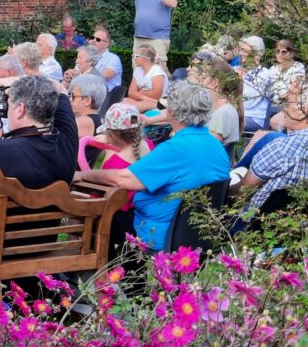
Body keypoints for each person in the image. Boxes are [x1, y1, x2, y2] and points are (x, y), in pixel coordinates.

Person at [74, 81, 230, 250]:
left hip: (157, 233)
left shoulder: (175, 149)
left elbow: (124, 179)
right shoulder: (217, 147)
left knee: (102, 217)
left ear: (172, 112)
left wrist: (83, 175)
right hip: (198, 235)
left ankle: (94, 263)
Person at [231, 83, 308, 215]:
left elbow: (241, 193)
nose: (284, 109)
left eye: (288, 104)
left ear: (304, 111)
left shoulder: (281, 148)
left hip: (253, 222)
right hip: (301, 225)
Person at [0, 74, 78, 188]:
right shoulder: (67, 142)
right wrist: (18, 80)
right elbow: (61, 89)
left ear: (20, 109)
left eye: (9, 105)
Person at [77, 103, 154, 256]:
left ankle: (98, 262)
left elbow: (100, 197)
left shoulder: (114, 162)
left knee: (90, 218)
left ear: (112, 134)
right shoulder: (150, 146)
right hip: (143, 215)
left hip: (119, 221)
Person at [117, 0, 178, 65]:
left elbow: (173, 3)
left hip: (158, 39)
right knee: (137, 68)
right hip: (139, 37)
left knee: (157, 68)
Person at [190, 55, 242, 147]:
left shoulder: (223, 113)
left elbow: (207, 147)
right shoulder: (219, 108)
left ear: (215, 83)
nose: (200, 82)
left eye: (204, 78)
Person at [237, 36, 275, 131]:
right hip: (236, 114)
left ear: (257, 54)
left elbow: (247, 102)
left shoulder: (263, 74)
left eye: (245, 50)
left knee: (222, 121)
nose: (240, 53)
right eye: (240, 49)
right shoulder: (236, 70)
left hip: (253, 117)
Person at [124, 45, 168, 112]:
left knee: (134, 107)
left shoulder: (157, 71)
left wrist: (140, 92)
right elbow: (131, 92)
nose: (134, 58)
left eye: (136, 56)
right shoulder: (138, 70)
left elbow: (156, 96)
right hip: (147, 100)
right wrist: (144, 97)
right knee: (123, 101)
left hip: (159, 102)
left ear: (146, 58)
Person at [266, 39, 306, 106]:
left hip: (289, 104)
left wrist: (278, 99)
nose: (280, 54)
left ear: (291, 53)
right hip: (271, 104)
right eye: (278, 51)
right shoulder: (272, 69)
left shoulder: (298, 66)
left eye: (284, 52)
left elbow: (294, 88)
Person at [69, 73, 108, 141]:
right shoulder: (97, 119)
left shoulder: (84, 121)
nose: (70, 99)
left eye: (73, 96)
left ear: (87, 100)